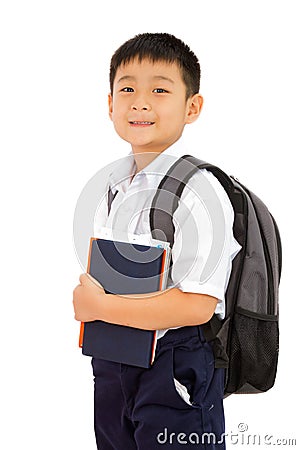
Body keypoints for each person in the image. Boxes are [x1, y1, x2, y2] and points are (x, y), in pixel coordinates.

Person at [73, 33, 241, 449]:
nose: (140, 102)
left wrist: (100, 305)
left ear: (192, 107)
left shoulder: (199, 191)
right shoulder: (113, 186)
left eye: (160, 90)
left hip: (174, 367)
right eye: (127, 88)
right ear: (110, 103)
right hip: (114, 361)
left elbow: (199, 305)